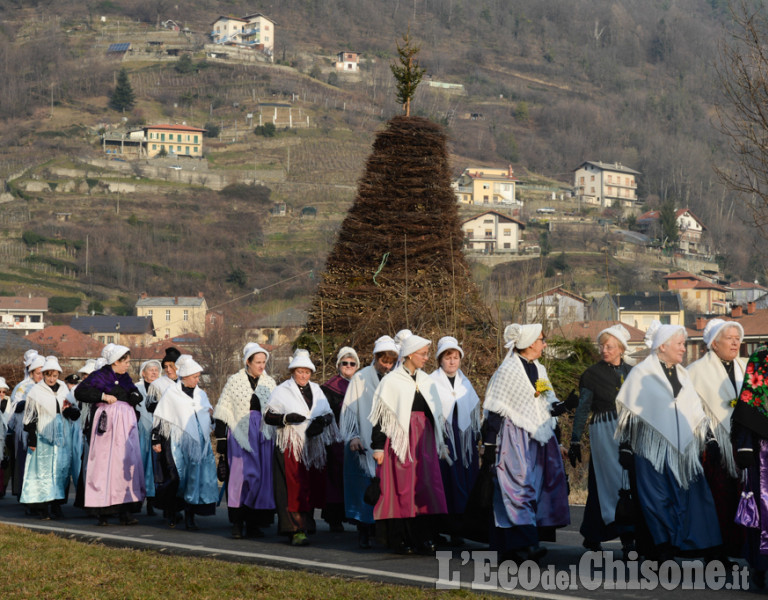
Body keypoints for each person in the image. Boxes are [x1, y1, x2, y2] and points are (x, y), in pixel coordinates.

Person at [615, 320, 721, 560]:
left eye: (684, 344)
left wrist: (709, 438)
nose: (684, 348)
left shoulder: (683, 375)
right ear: (663, 346)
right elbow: (630, 413)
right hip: (650, 450)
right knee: (656, 500)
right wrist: (626, 447)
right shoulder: (642, 373)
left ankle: (693, 545)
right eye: (680, 344)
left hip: (682, 452)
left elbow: (694, 410)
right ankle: (662, 547)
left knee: (690, 497)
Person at [483, 324, 570, 562]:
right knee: (517, 487)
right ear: (531, 342)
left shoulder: (539, 369)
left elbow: (546, 401)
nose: (544, 343)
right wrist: (489, 446)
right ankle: (526, 544)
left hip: (537, 439)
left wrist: (565, 405)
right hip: (514, 436)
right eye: (542, 339)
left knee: (534, 488)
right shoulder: (509, 370)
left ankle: (513, 548)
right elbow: (495, 408)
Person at [370, 332, 448, 555]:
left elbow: (435, 413)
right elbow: (381, 416)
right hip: (401, 441)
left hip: (424, 440)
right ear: (411, 354)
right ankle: (401, 539)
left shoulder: (426, 380)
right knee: (402, 488)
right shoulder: (392, 381)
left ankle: (425, 537)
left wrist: (441, 442)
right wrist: (377, 446)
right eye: (423, 354)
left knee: (425, 487)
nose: (426, 358)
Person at [568, 324, 634, 557]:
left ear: (621, 349)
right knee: (614, 483)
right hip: (604, 431)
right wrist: (575, 440)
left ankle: (594, 534)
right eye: (602, 346)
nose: (604, 350)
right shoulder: (591, 374)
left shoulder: (633, 372)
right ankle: (627, 537)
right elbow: (583, 408)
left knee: (624, 482)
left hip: (630, 432)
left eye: (610, 346)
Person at [263, 349, 341, 546]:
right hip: (290, 446)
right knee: (292, 486)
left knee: (309, 484)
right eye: (300, 372)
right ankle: (294, 528)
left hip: (312, 446)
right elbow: (268, 416)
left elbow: (329, 414)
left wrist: (322, 421)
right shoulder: (282, 390)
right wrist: (286, 418)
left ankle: (306, 523)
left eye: (307, 372)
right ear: (293, 372)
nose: (303, 376)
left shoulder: (316, 390)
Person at [688, 319, 746, 559]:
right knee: (717, 499)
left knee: (743, 496)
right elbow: (691, 410)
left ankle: (739, 548)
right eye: (729, 338)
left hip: (742, 443)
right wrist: (709, 437)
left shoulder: (745, 367)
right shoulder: (696, 371)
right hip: (711, 445)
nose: (735, 342)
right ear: (714, 342)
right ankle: (716, 551)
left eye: (737, 338)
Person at [75, 344, 145, 526]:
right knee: (105, 464)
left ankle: (125, 510)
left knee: (126, 462)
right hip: (107, 424)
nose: (128, 365)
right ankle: (102, 511)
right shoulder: (100, 375)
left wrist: (135, 395)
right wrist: (103, 396)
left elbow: (132, 390)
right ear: (116, 361)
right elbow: (80, 392)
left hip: (125, 423)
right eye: (126, 362)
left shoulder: (125, 377)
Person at [340, 336, 399, 548]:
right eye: (384, 361)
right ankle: (363, 530)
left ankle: (381, 530)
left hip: (388, 442)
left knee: (385, 487)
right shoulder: (360, 378)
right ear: (376, 358)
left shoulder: (395, 379)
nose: (387, 366)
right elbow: (349, 409)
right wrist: (353, 435)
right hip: (364, 439)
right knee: (365, 486)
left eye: (391, 362)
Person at [214, 343, 277, 539]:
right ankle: (237, 523)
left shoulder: (270, 383)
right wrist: (221, 438)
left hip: (263, 436)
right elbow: (223, 411)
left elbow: (276, 410)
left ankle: (254, 522)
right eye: (257, 362)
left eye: (264, 362)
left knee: (261, 478)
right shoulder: (235, 381)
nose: (261, 366)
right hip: (240, 436)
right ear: (247, 362)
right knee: (240, 479)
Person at [152, 354, 218, 531]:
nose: (198, 380)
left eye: (198, 377)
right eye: (195, 377)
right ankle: (173, 511)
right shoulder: (172, 393)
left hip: (199, 444)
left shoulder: (201, 394)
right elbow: (161, 417)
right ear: (186, 376)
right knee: (178, 478)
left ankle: (191, 515)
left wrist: (211, 417)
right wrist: (156, 439)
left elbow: (207, 413)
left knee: (195, 479)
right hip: (178, 442)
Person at [430, 336, 481, 547]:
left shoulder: (465, 383)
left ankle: (462, 528)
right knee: (446, 483)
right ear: (440, 359)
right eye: (448, 357)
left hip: (464, 444)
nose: (452, 362)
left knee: (465, 483)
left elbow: (473, 413)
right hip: (443, 441)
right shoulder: (431, 382)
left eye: (456, 357)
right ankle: (444, 527)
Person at [20, 356, 81, 519]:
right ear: (44, 375)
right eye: (48, 375)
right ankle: (43, 506)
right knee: (44, 471)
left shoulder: (63, 389)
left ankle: (57, 504)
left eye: (55, 375)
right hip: (43, 435)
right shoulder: (36, 391)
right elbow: (30, 417)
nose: (51, 379)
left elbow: (70, 408)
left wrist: (71, 412)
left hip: (62, 434)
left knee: (61, 470)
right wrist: (32, 439)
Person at [732, 345, 768, 586]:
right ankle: (761, 565)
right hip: (765, 450)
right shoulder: (762, 358)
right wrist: (744, 444)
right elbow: (749, 403)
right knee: (765, 511)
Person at [320, 346, 360, 532]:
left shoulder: (361, 385)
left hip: (356, 438)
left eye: (352, 363)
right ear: (338, 364)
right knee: (335, 479)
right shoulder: (329, 388)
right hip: (335, 439)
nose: (349, 366)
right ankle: (334, 518)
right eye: (345, 363)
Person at [7, 351, 45, 501]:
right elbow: (14, 407)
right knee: (25, 464)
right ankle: (25, 494)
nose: (41, 376)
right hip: (26, 432)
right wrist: (25, 403)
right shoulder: (22, 387)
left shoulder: (49, 387)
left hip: (44, 431)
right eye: (38, 372)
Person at [136, 359, 161, 516]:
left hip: (156, 432)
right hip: (139, 432)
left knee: (154, 469)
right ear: (143, 373)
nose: (153, 372)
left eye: (156, 370)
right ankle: (137, 501)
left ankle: (152, 503)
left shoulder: (162, 388)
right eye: (150, 370)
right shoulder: (136, 388)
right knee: (139, 467)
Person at [145, 347, 181, 412]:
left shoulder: (185, 382)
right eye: (166, 367)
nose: (168, 370)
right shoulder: (157, 384)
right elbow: (149, 406)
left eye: (171, 366)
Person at [0, 377, 10, 498]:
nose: (2, 394)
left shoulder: (7, 403)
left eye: (4, 392)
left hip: (3, 439)